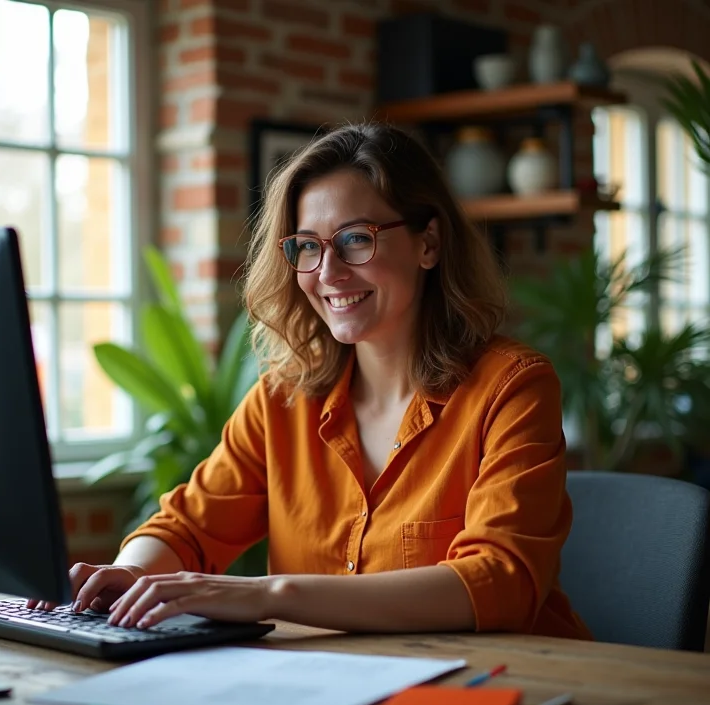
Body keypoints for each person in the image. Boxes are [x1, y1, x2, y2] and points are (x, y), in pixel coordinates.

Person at [31, 122, 591, 641]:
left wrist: (268, 594)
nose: (328, 273)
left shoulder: (512, 388)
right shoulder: (281, 398)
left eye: (355, 239)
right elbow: (186, 530)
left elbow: (499, 581)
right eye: (307, 247)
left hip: (506, 691)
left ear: (429, 243)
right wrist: (128, 577)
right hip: (336, 697)